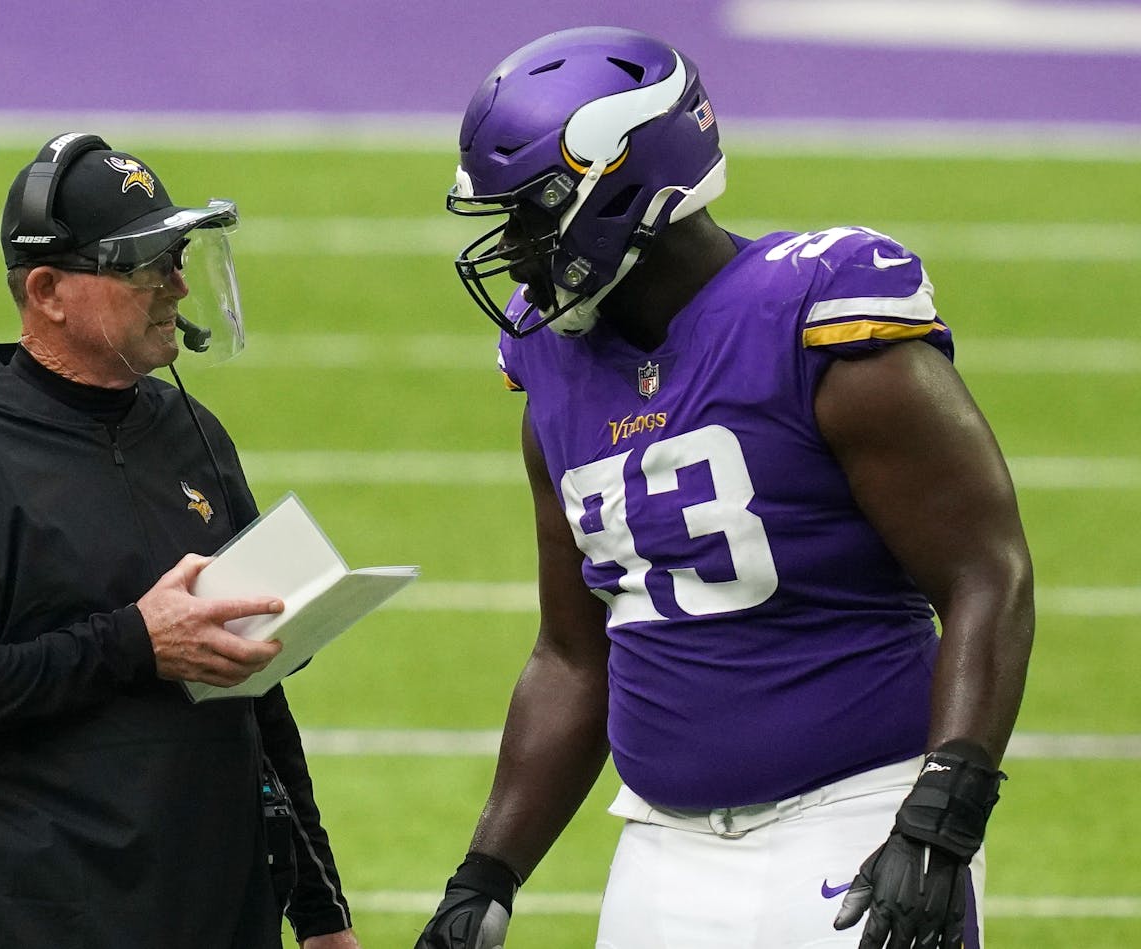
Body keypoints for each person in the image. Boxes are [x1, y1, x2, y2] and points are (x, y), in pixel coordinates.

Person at [415, 27, 1033, 949]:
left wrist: (943, 811)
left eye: (532, 215)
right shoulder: (551, 362)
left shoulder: (815, 318)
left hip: (856, 817)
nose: (514, 248)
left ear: (621, 184)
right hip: (661, 842)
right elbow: (575, 653)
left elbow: (987, 573)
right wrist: (487, 874)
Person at [0, 132, 360, 949]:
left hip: (222, 910)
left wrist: (322, 911)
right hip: (38, 916)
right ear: (48, 290)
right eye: (143, 263)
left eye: (178, 256)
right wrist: (130, 642)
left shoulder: (193, 431)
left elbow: (255, 692)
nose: (177, 285)